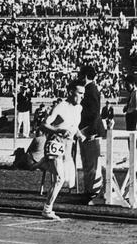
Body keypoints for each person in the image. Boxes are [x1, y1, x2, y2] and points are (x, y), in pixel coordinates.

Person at [37, 80, 86, 220]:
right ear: (71, 92)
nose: (82, 96)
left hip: (68, 146)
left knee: (69, 181)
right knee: (59, 179)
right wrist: (57, 130)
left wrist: (80, 135)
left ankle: (40, 163)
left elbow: (73, 125)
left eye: (83, 94)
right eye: (80, 93)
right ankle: (47, 209)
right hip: (56, 143)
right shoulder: (60, 107)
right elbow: (43, 125)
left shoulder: (79, 108)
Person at [78, 65, 106, 205]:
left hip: (91, 132)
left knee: (93, 164)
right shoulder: (88, 89)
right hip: (86, 131)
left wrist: (91, 132)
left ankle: (93, 193)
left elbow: (95, 113)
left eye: (80, 75)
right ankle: (89, 191)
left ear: (85, 76)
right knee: (88, 163)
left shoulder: (91, 90)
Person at [123, 74, 137, 173]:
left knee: (136, 144)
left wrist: (135, 126)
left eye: (127, 84)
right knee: (132, 144)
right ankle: (135, 165)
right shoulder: (132, 94)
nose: (125, 86)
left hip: (135, 122)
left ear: (132, 84)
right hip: (131, 120)